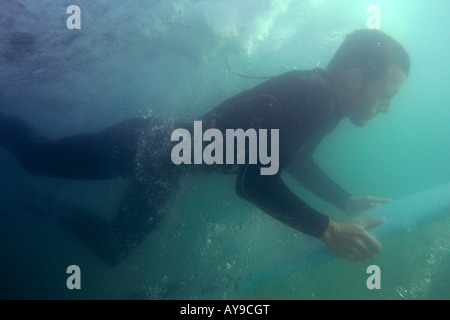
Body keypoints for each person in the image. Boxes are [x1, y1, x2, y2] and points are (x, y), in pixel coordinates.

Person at [0, 29, 410, 265]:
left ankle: (37, 203)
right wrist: (327, 228)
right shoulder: (311, 96)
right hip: (140, 145)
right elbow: (254, 183)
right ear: (354, 78)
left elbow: (290, 158)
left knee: (113, 248)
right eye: (386, 94)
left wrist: (345, 198)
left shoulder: (327, 106)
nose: (388, 107)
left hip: (163, 167)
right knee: (37, 157)